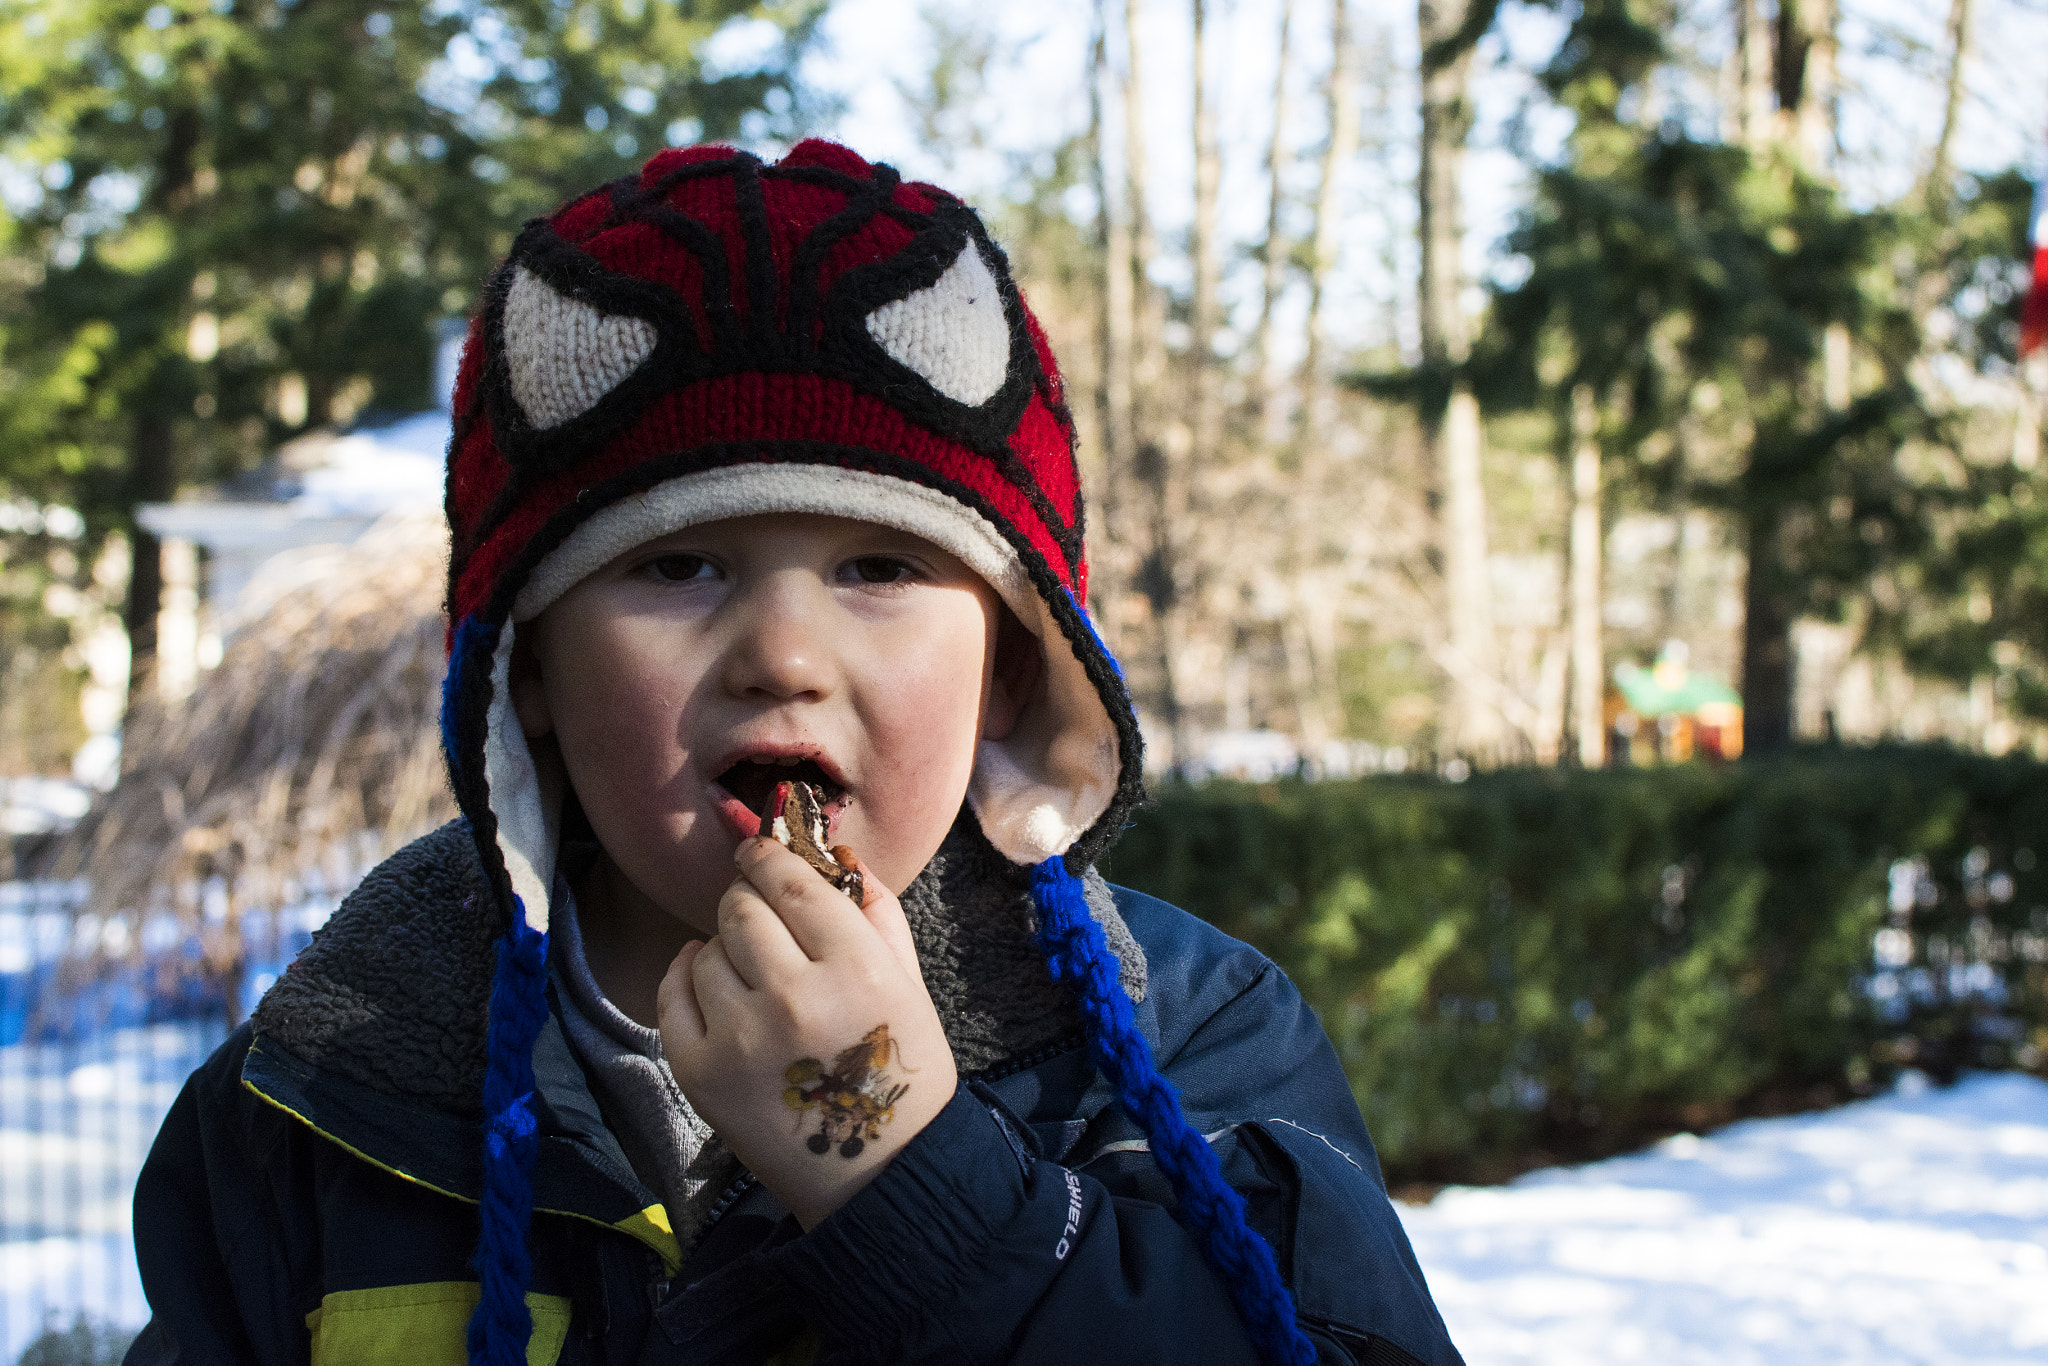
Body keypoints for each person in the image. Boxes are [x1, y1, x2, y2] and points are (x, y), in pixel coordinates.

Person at [125, 140, 1462, 1366]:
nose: (783, 650)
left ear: (1009, 663)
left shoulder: (1182, 1045)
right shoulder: (320, 1101)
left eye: (879, 565)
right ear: (524, 669)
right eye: (678, 562)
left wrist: (907, 1171)